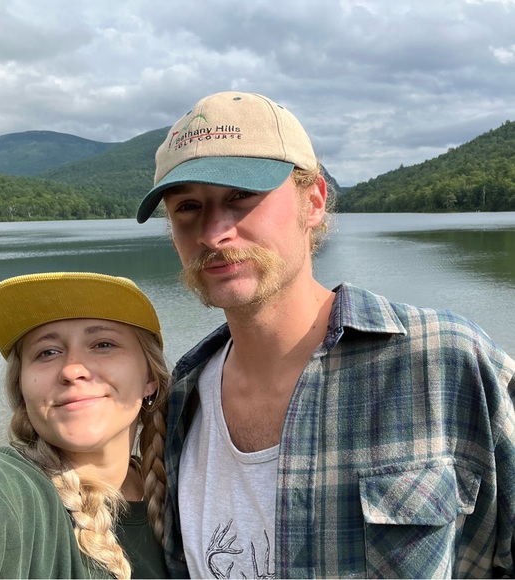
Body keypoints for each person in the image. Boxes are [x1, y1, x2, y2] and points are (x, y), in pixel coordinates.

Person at [136, 91, 515, 578]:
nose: (213, 233)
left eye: (241, 197)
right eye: (188, 207)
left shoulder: (448, 363)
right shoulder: (180, 401)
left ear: (313, 201)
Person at [0, 272, 169, 579]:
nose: (71, 370)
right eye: (47, 352)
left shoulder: (182, 490)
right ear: (22, 388)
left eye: (103, 344)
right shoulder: (11, 494)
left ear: (150, 378)